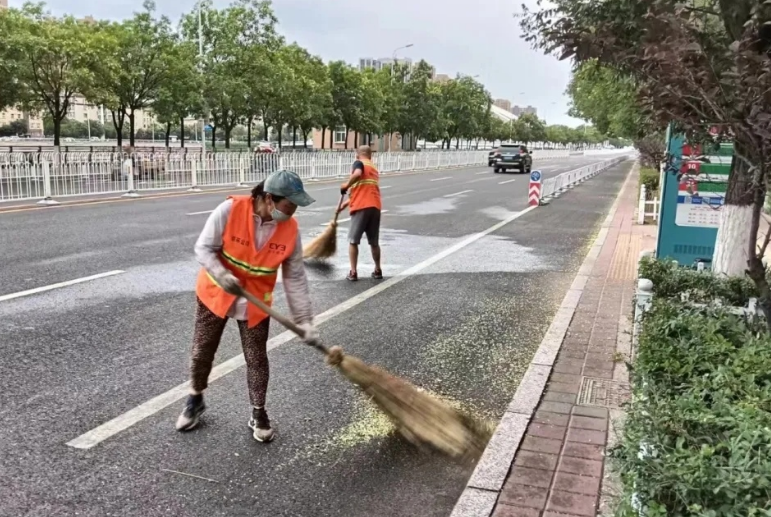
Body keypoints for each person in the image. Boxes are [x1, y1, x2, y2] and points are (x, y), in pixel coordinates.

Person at [176, 169, 319, 443]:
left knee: (256, 358)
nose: (292, 212)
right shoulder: (230, 210)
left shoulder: (290, 229)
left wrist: (305, 321)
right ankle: (195, 398)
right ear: (269, 198)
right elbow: (203, 248)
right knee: (201, 350)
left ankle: (258, 412)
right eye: (289, 205)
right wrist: (221, 273)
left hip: (255, 302)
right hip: (216, 292)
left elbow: (295, 277)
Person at [339, 145, 383, 281]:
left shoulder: (359, 163)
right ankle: (377, 270)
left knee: (353, 241)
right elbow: (362, 188)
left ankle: (353, 272)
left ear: (357, 154)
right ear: (370, 155)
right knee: (374, 242)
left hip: (361, 207)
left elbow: (357, 174)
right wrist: (343, 205)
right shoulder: (373, 168)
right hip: (375, 206)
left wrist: (346, 185)